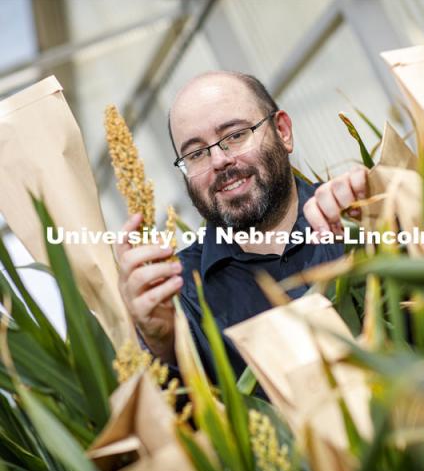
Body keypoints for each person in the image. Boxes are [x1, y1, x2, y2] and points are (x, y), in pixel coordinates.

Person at [115, 71, 367, 382]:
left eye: (235, 135)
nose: (219, 160)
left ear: (283, 131)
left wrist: (399, 210)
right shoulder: (179, 296)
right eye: (196, 153)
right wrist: (162, 347)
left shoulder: (360, 216)